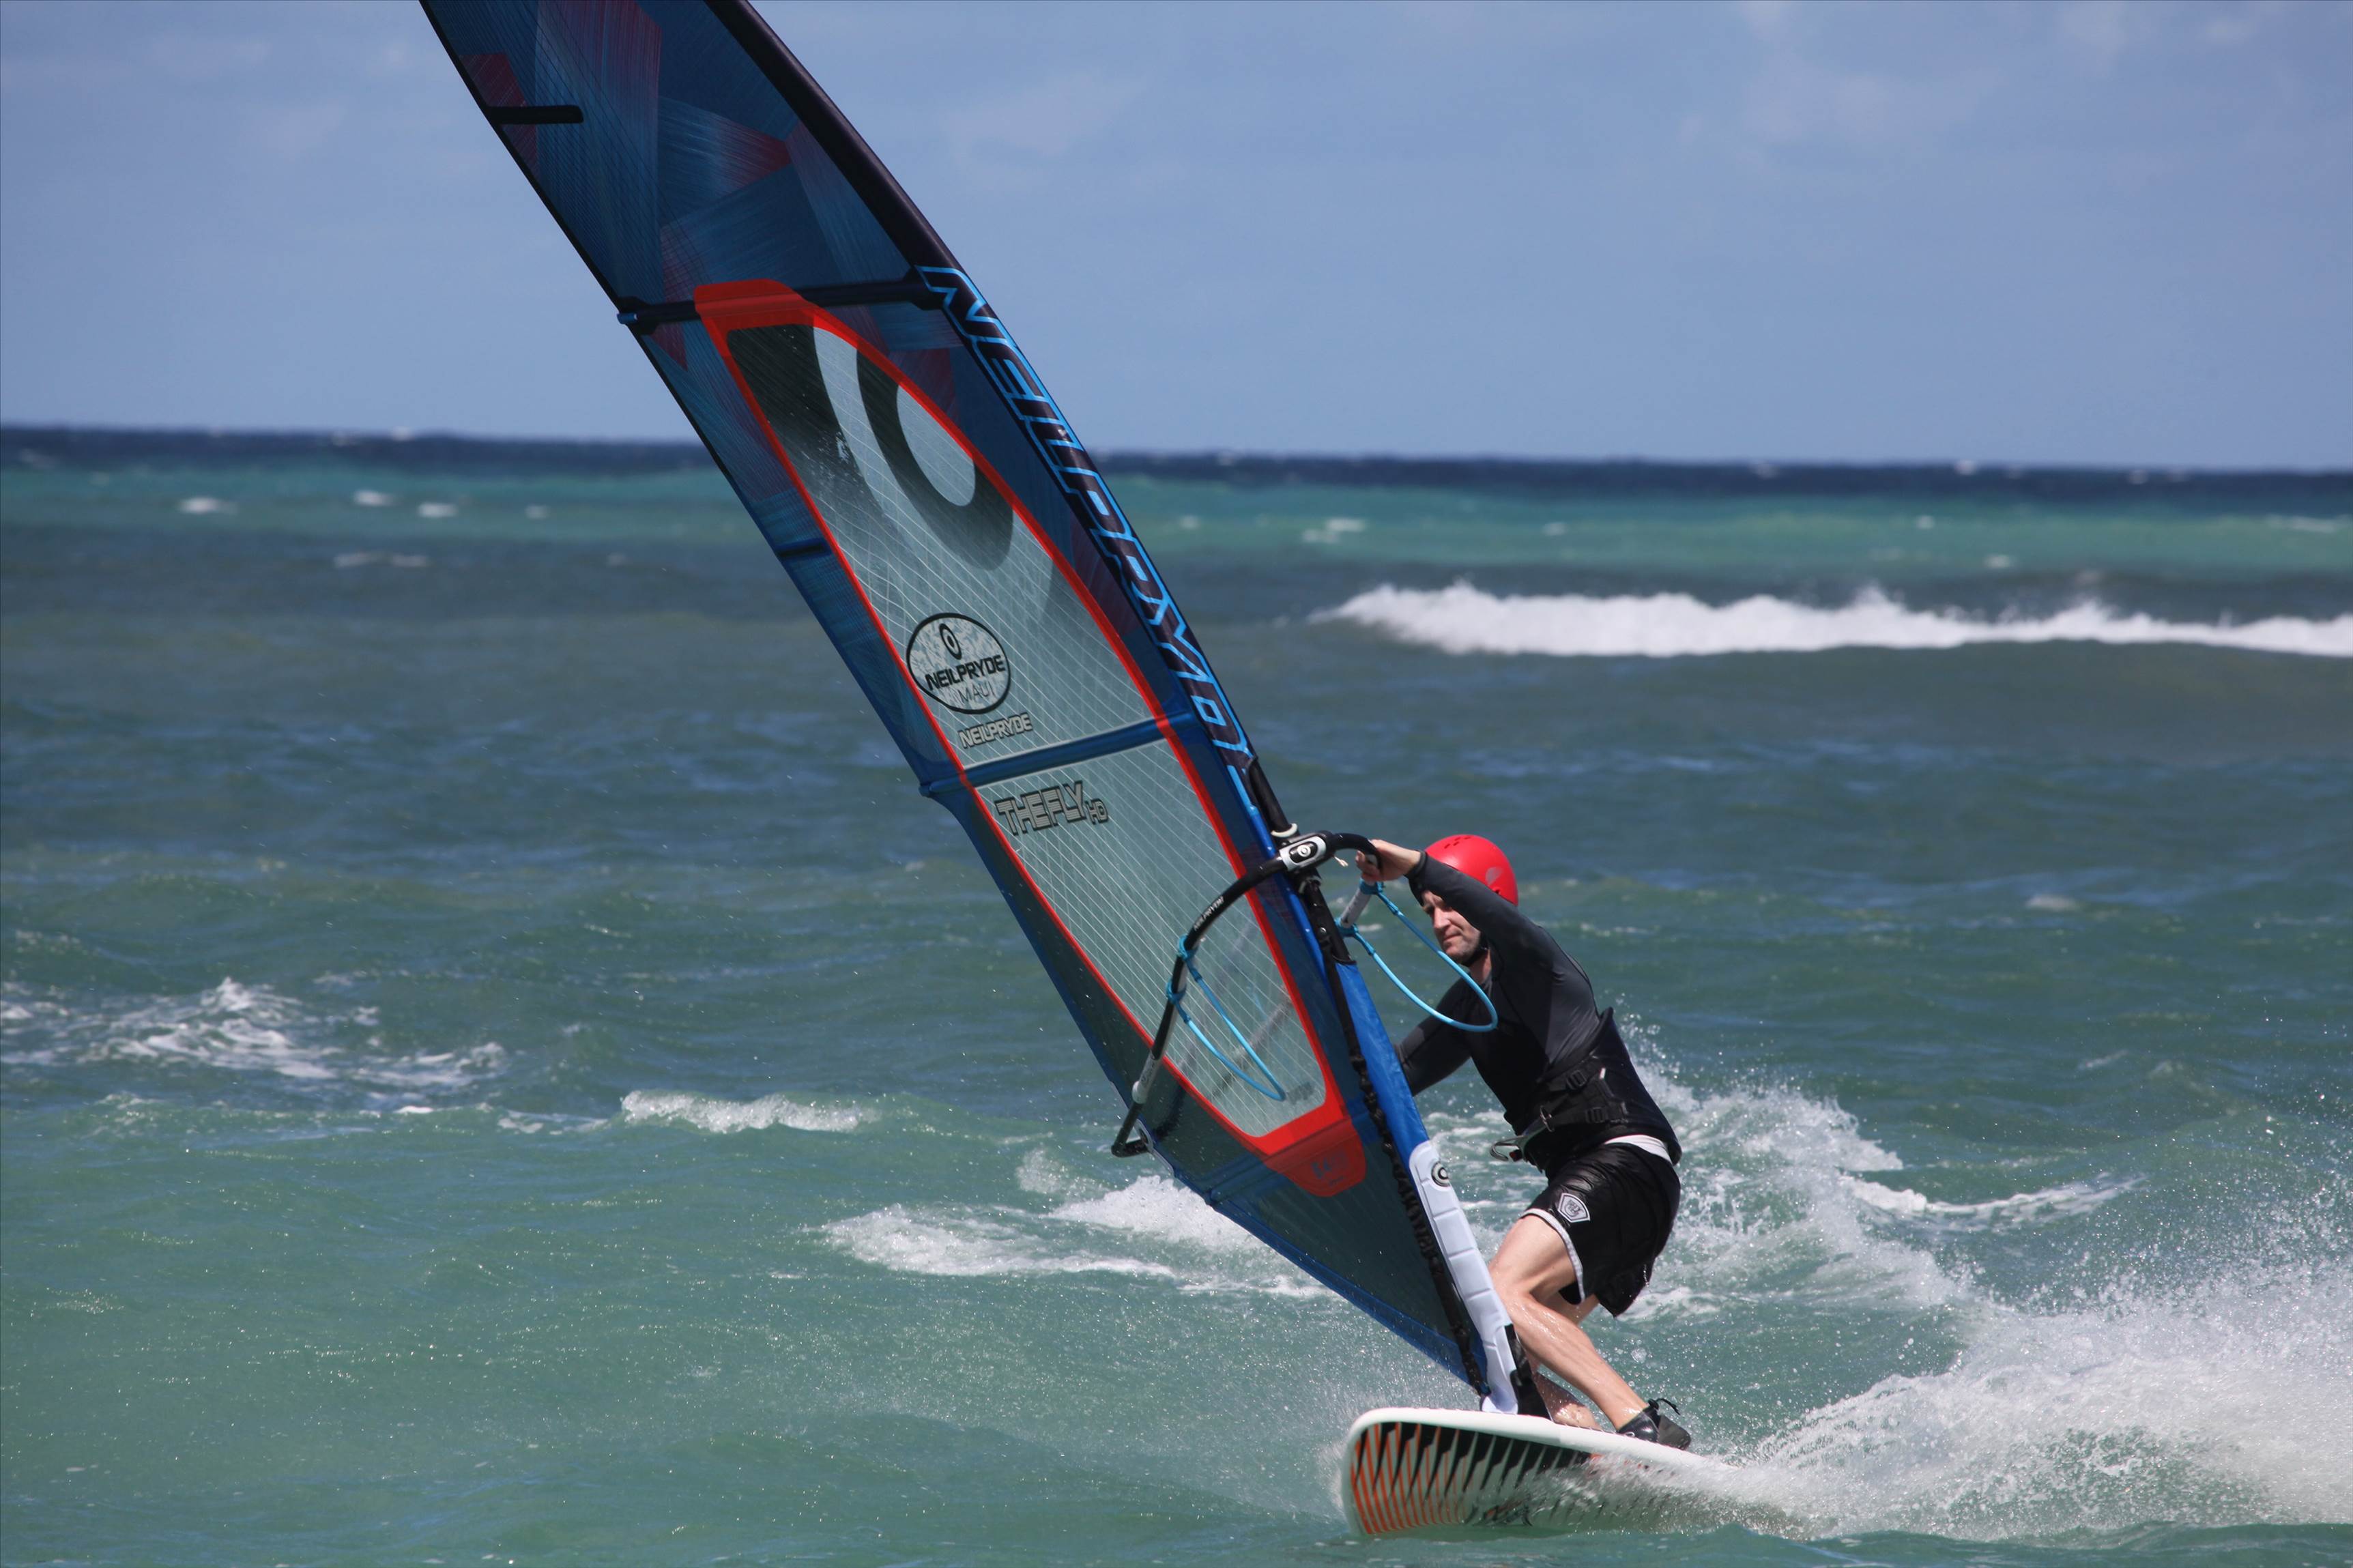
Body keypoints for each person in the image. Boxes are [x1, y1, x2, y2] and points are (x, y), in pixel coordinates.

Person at [1353, 833, 1690, 1449]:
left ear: (1486, 899)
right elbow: (1386, 1081)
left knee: (1501, 1291)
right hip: (1611, 1191)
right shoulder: (1466, 1007)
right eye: (1428, 910)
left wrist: (1415, 866)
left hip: (1627, 1164)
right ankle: (1584, 1448)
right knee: (1497, 1346)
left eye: (1450, 905)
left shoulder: (1538, 964)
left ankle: (1643, 1426)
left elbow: (1496, 915)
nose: (1440, 920)